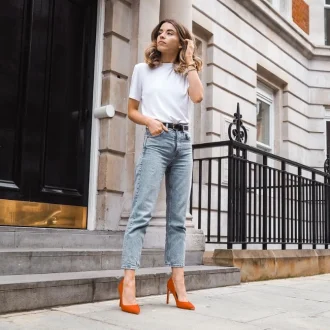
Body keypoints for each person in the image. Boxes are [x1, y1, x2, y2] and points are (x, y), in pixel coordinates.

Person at [118, 18, 203, 315]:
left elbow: (198, 96)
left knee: (177, 218)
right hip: (156, 140)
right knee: (141, 211)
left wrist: (190, 62)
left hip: (183, 143)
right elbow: (131, 110)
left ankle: (177, 281)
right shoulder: (143, 70)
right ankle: (128, 281)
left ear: (181, 41)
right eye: (160, 33)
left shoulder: (185, 71)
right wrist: (149, 121)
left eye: (170, 33)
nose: (162, 36)